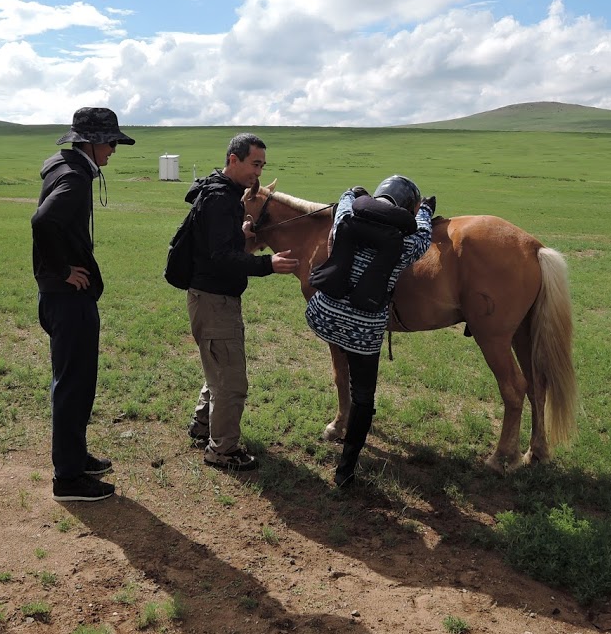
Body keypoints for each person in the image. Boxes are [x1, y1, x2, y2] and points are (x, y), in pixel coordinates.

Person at [32, 107, 135, 502]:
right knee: (74, 386)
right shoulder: (75, 177)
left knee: (71, 383)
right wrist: (63, 270)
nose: (113, 149)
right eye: (110, 142)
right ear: (91, 141)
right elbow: (43, 222)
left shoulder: (63, 166)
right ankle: (69, 479)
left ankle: (74, 459)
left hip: (58, 296)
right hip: (68, 298)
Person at [304, 175, 435, 487]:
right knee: (364, 398)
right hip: (364, 331)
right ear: (406, 209)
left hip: (324, 316)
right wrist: (426, 210)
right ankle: (345, 471)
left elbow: (346, 198)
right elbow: (425, 235)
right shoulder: (406, 245)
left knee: (344, 352)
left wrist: (354, 191)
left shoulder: (345, 221)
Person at [183, 133, 300, 471]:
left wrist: (241, 236)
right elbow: (221, 258)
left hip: (208, 295)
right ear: (233, 160)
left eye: (262, 165)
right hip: (215, 298)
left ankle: (203, 426)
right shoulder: (222, 200)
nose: (258, 172)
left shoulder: (217, 191)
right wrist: (268, 264)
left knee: (218, 367)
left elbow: (217, 246)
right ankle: (222, 451)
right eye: (254, 164)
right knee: (231, 380)